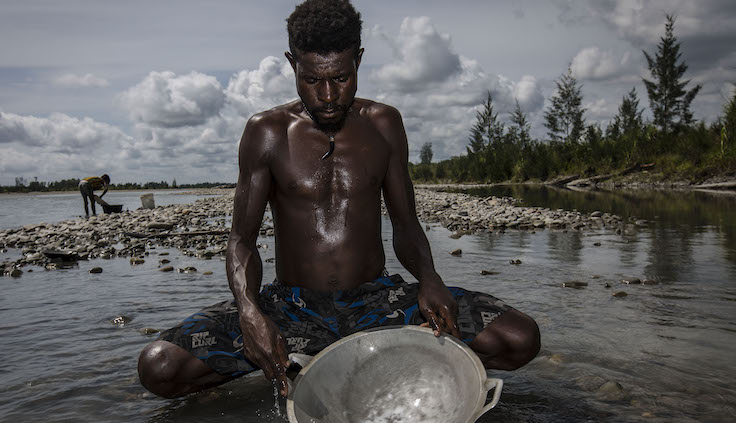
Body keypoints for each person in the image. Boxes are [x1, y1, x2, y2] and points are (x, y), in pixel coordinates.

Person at [138, 0, 540, 400]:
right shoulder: (267, 131)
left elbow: (405, 225)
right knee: (160, 367)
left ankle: (399, 367)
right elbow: (241, 241)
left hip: (374, 302)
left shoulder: (384, 125)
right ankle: (298, 362)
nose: (328, 95)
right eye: (312, 80)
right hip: (292, 306)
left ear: (359, 61)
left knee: (518, 338)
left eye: (342, 79)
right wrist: (250, 314)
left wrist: (430, 279)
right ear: (292, 63)